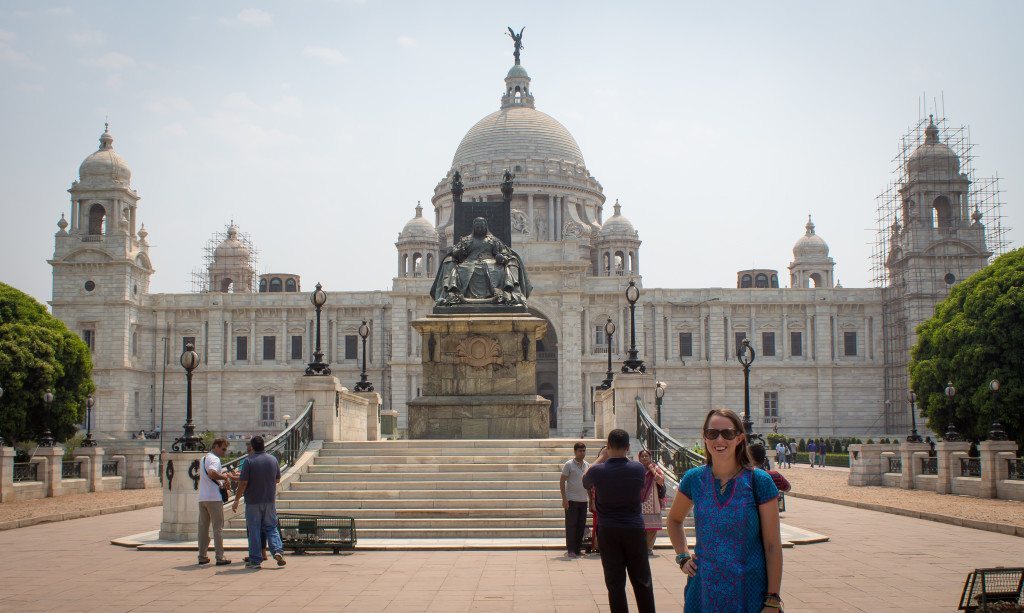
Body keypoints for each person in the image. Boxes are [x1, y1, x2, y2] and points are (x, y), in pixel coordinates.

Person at [667, 408, 784, 612]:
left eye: (727, 434)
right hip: (703, 591)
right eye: (713, 433)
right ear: (705, 437)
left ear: (739, 438)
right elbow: (674, 520)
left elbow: (773, 545)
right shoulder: (694, 479)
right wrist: (683, 557)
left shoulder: (759, 481)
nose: (719, 440)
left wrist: (772, 599)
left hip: (749, 592)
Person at [582, 429, 656, 613]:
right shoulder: (638, 468)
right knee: (642, 580)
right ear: (628, 447)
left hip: (608, 530)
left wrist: (601, 458)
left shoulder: (598, 470)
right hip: (634, 528)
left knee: (615, 583)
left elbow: (585, 480)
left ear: (608, 446)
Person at [232, 435, 286, 570]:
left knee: (254, 529)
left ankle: (255, 560)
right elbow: (277, 479)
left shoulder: (249, 461)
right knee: (271, 527)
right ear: (264, 445)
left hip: (253, 501)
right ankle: (277, 551)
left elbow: (243, 482)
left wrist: (236, 499)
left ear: (252, 446)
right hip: (269, 500)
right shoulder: (273, 460)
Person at [198, 437, 232, 566]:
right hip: (213, 498)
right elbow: (212, 473)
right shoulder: (214, 459)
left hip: (203, 498)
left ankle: (202, 556)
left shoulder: (204, 458)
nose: (224, 452)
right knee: (218, 529)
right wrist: (225, 477)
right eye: (223, 449)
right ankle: (220, 556)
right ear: (216, 446)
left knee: (203, 529)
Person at [560, 442, 590, 559]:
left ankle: (578, 549)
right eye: (580, 451)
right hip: (571, 500)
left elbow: (588, 484)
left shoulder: (587, 465)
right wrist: (564, 499)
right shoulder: (569, 465)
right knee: (571, 525)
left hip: (583, 501)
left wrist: (591, 499)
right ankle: (571, 549)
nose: (582, 453)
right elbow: (562, 481)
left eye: (584, 451)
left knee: (580, 526)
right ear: (575, 452)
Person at [637, 449, 666, 556]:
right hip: (639, 501)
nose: (644, 458)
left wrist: (652, 470)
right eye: (642, 456)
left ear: (650, 457)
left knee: (652, 527)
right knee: (640, 527)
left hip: (652, 500)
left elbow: (661, 481)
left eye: (646, 456)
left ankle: (649, 548)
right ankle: (640, 548)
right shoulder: (636, 469)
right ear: (639, 458)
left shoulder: (656, 468)